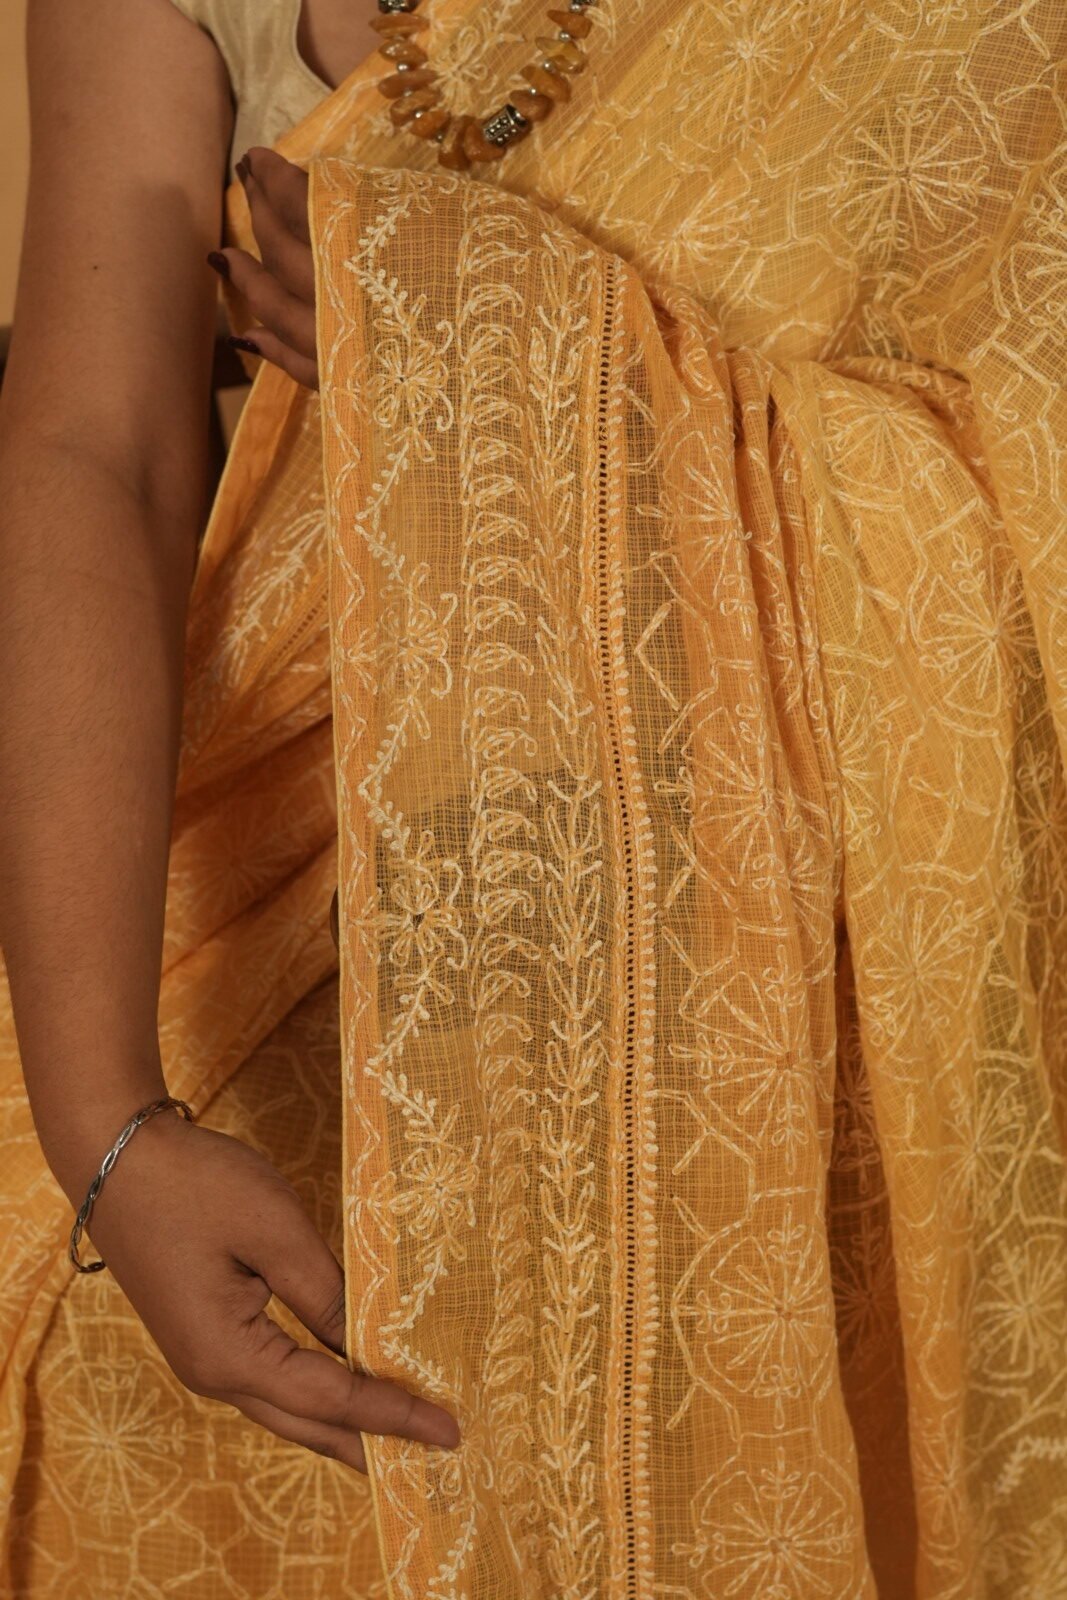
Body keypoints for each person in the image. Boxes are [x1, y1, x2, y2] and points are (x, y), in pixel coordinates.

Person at [0, 0, 1064, 1594]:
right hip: (314, 970)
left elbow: (1024, 425)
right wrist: (107, 1121)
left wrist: (501, 343)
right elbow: (100, 453)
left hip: (830, 990)